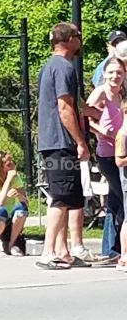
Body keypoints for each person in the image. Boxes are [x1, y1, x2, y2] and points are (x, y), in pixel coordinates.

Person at [36, 23, 93, 271]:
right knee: (60, 197)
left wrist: (97, 113)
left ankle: (63, 251)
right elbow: (64, 107)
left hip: (52, 142)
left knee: (68, 196)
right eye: (78, 36)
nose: (80, 41)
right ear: (70, 39)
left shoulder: (49, 66)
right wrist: (80, 141)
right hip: (60, 142)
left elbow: (75, 104)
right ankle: (47, 252)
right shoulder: (64, 68)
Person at [88, 58, 125, 262]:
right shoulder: (101, 92)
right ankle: (117, 247)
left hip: (122, 152)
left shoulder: (121, 94)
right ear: (104, 73)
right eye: (111, 72)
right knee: (122, 196)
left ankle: (111, 248)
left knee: (114, 199)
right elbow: (85, 116)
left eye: (119, 72)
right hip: (107, 154)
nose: (115, 76)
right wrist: (103, 131)